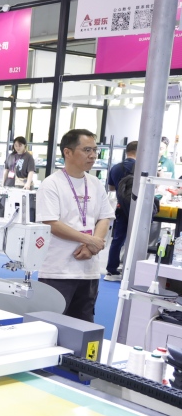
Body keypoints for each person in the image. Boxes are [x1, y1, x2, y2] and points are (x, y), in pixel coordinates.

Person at [36, 129, 115, 323]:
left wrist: (92, 246)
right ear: (68, 152)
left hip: (89, 270)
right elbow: (51, 223)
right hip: (58, 270)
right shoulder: (51, 184)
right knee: (51, 325)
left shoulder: (95, 183)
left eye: (95, 150)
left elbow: (105, 217)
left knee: (83, 327)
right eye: (87, 150)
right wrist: (90, 240)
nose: (93, 155)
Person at [104, 140, 137, 282]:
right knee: (137, 239)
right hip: (137, 208)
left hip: (121, 207)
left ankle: (111, 270)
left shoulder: (116, 167)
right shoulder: (142, 167)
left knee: (117, 239)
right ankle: (133, 271)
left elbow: (111, 188)